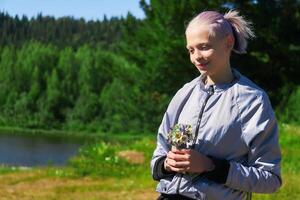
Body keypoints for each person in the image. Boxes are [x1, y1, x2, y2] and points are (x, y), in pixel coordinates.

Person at [150, 10, 282, 200]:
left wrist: (209, 166)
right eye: (191, 50)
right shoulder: (184, 94)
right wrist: (166, 164)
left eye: (204, 47)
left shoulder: (253, 100)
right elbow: (159, 153)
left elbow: (270, 180)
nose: (196, 57)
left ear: (228, 43)